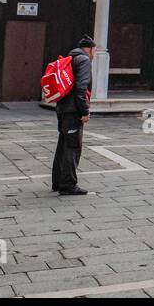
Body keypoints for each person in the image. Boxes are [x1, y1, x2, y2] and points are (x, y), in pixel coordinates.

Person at [52, 35, 95, 196]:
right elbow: (81, 87)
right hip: (73, 111)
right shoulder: (83, 60)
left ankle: (57, 182)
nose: (94, 54)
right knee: (72, 147)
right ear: (90, 49)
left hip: (62, 108)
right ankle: (68, 184)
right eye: (94, 50)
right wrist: (84, 111)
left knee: (63, 146)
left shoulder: (71, 57)